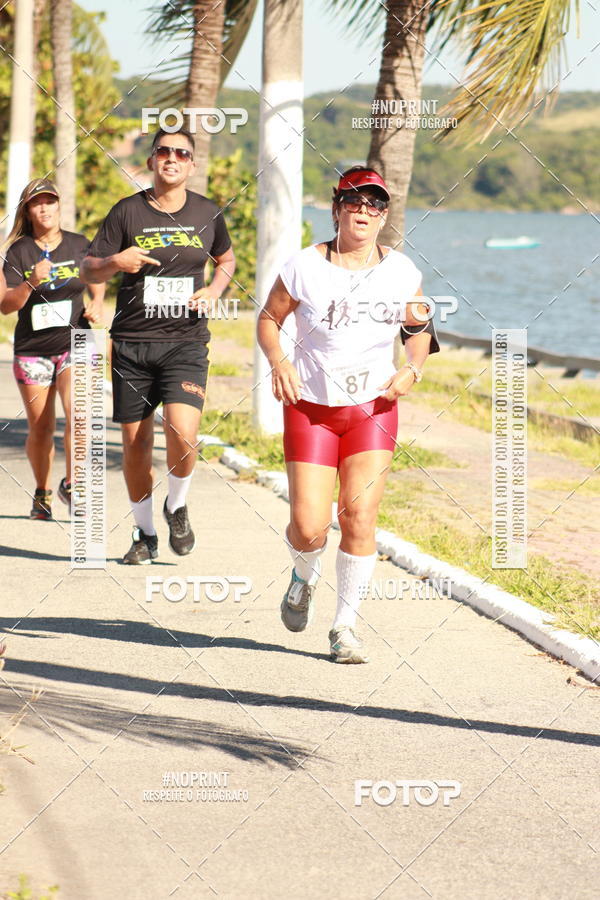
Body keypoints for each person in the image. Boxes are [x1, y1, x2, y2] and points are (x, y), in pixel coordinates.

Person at [257, 166, 440, 663]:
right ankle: (303, 577)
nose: (364, 210)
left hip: (372, 410)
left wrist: (413, 368)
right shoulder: (304, 266)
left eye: (374, 204)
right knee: (310, 527)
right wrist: (279, 361)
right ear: (337, 209)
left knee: (358, 516)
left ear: (383, 216)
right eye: (354, 201)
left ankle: (345, 627)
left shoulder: (402, 271)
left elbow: (419, 330)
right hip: (312, 410)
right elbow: (270, 319)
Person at [81, 127, 235, 564]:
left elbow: (226, 258)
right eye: (163, 151)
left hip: (185, 342)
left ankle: (177, 505)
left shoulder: (206, 212)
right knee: (136, 446)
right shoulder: (126, 212)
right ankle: (145, 534)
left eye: (181, 153)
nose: (171, 158)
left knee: (183, 434)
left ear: (192, 165)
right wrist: (115, 261)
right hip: (132, 345)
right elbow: (89, 270)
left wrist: (216, 290)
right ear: (151, 161)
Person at [1, 178, 104, 520]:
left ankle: (73, 484)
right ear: (27, 211)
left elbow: (96, 278)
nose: (44, 208)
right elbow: (6, 305)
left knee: (79, 413)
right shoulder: (18, 252)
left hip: (76, 341)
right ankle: (42, 490)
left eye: (50, 201)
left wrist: (97, 302)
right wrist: (31, 281)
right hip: (33, 350)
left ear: (59, 205)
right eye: (36, 203)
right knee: (41, 429)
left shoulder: (79, 244)